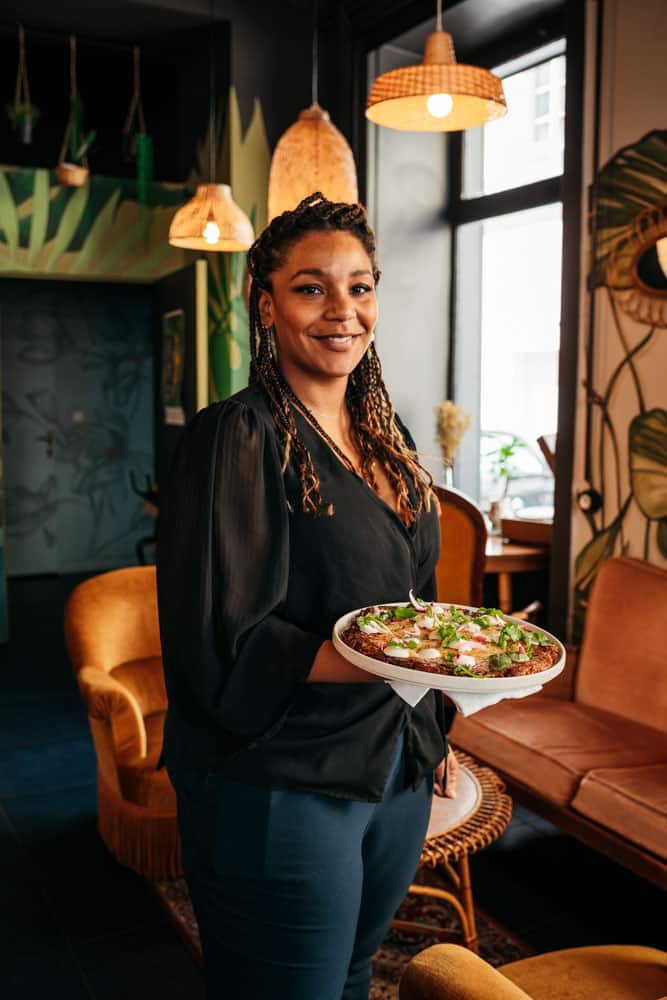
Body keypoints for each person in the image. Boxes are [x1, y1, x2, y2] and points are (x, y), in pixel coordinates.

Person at [156, 192, 458, 1000]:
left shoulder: (383, 438)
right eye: (311, 287)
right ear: (267, 303)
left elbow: (412, 602)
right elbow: (222, 641)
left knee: (355, 975)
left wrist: (432, 724)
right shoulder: (239, 435)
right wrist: (404, 661)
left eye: (359, 287)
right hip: (282, 776)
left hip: (392, 764)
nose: (342, 311)